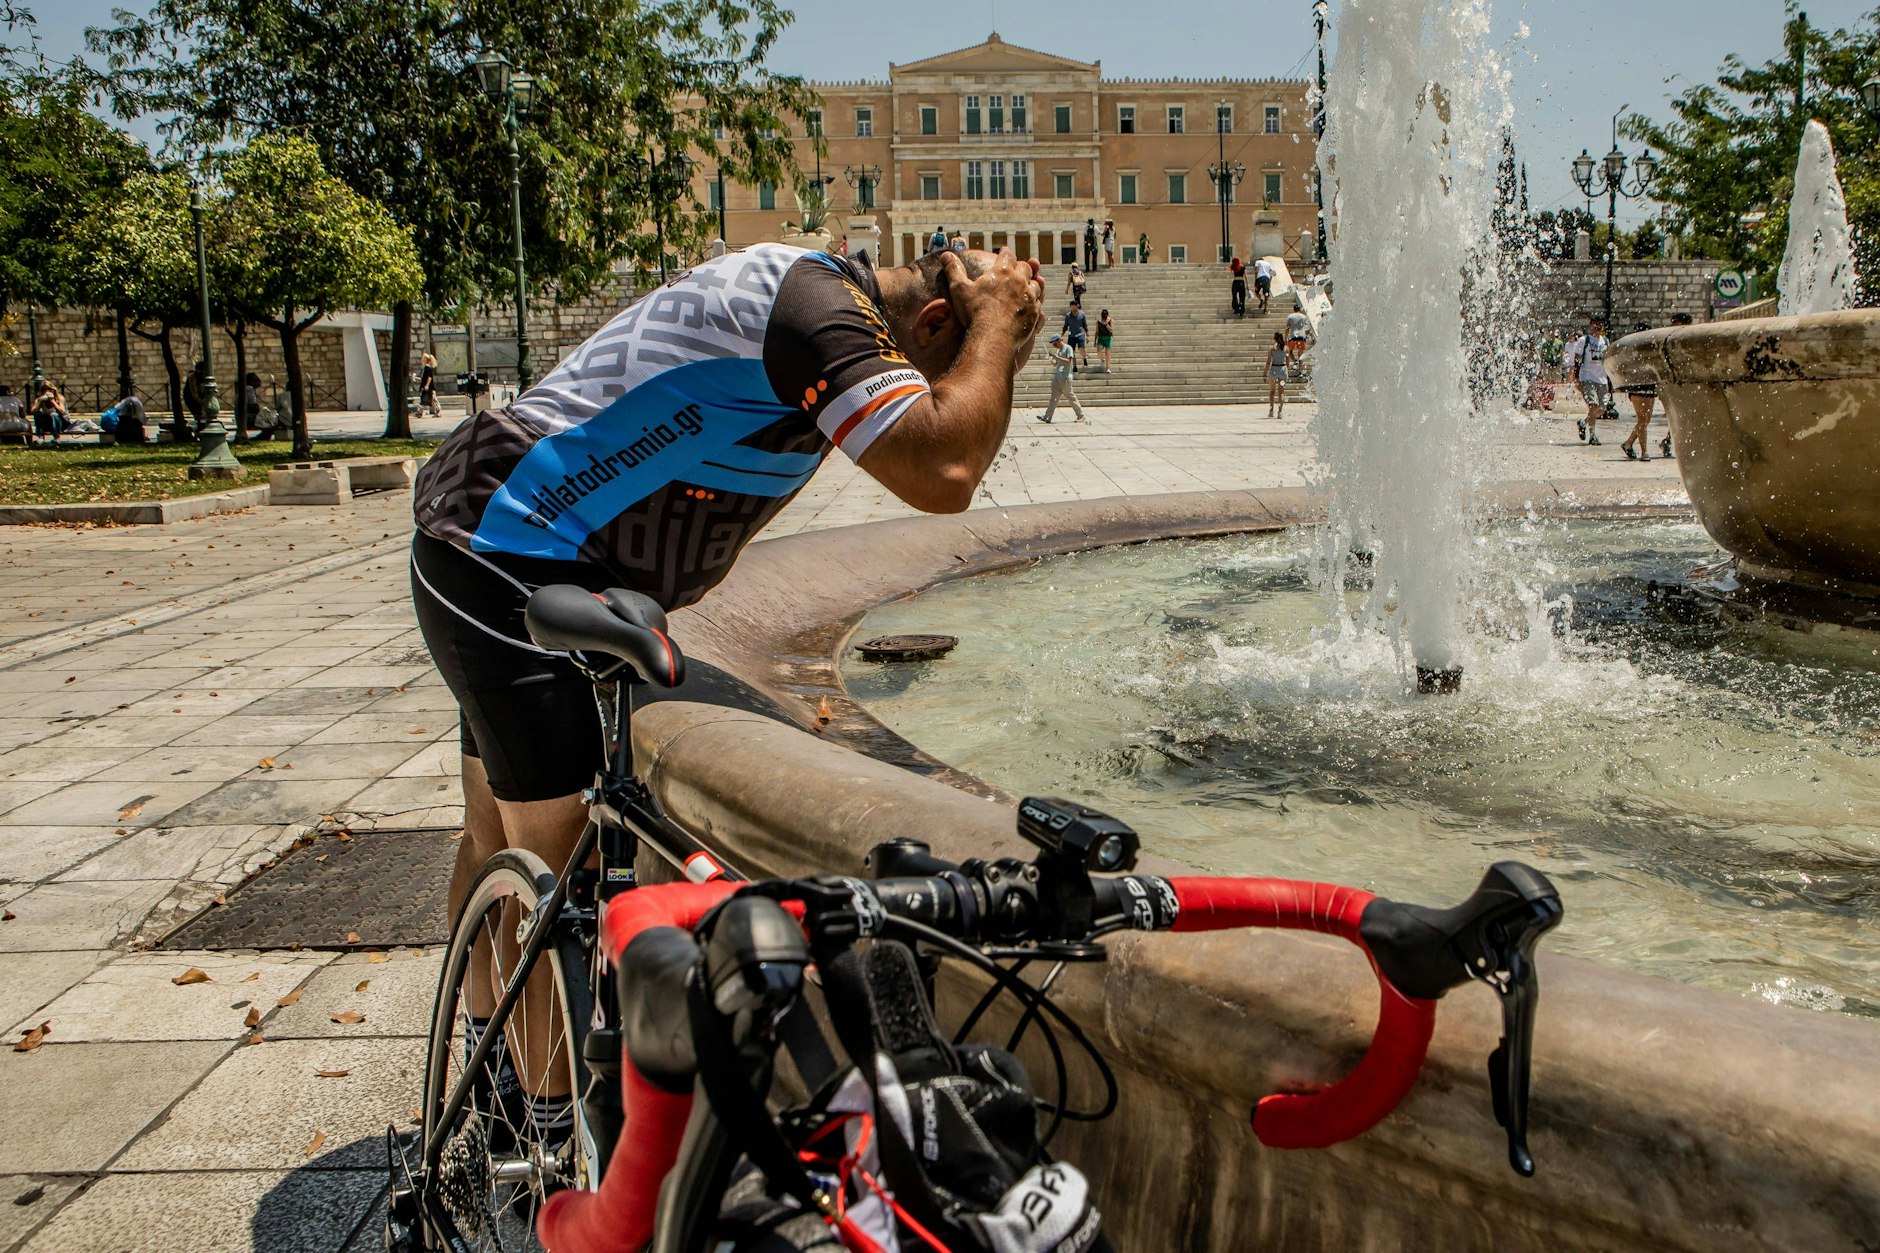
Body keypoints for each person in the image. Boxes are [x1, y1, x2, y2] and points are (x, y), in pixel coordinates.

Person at [410, 243, 1044, 1132]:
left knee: (493, 839)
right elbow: (944, 471)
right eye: (956, 375)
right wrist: (999, 326)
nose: (952, 398)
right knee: (561, 877)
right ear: (934, 325)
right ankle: (542, 1143)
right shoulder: (819, 316)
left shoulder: (823, 300)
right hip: (511, 555)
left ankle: (489, 1083)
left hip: (487, 526)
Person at [1565, 314, 1612, 446]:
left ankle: (1583, 422)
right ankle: (1593, 435)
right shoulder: (1584, 341)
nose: (1597, 327)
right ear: (1591, 326)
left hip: (1602, 379)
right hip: (1588, 377)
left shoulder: (1606, 342)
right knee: (1593, 405)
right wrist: (1576, 379)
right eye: (1595, 324)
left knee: (1602, 409)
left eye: (1600, 324)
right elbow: (1577, 360)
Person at [1617, 323, 1657, 462]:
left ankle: (1628, 443)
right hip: (1637, 385)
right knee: (1642, 419)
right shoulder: (1631, 348)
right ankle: (1644, 452)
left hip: (1649, 385)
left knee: (1646, 419)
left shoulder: (1650, 347)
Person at [1034, 333, 1085, 424]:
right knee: (1053, 398)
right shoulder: (1058, 350)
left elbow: (1069, 361)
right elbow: (1057, 364)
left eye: (1054, 343)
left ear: (1059, 340)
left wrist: (1057, 357)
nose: (1054, 345)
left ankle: (1081, 415)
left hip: (1065, 378)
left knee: (1071, 397)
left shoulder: (1068, 348)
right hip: (1057, 378)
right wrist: (1053, 361)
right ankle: (1047, 417)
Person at [1266, 332, 1289, 419]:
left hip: (1274, 370)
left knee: (1272, 391)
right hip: (1283, 370)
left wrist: (1265, 372)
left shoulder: (1272, 348)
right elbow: (1287, 362)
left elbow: (1269, 361)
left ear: (1274, 339)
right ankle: (1280, 412)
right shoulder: (1286, 348)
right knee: (1281, 392)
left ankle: (1271, 410)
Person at [1061, 300, 1090, 369]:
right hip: (1072, 335)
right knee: (1072, 351)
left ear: (1077, 306)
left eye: (1074, 307)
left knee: (1081, 349)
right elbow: (1065, 326)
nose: (1073, 308)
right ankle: (1074, 366)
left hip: (1080, 334)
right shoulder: (1068, 316)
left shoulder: (1082, 314)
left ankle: (1084, 358)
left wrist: (1088, 335)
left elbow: (1085, 325)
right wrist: (1062, 335)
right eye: (1072, 307)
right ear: (1070, 307)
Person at [419, 352, 440, 417]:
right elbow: (425, 378)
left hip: (429, 387)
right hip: (427, 386)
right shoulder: (425, 368)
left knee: (433, 400)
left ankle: (438, 412)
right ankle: (420, 412)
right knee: (425, 400)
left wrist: (427, 385)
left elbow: (429, 377)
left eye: (423, 358)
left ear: (425, 359)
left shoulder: (427, 368)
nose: (421, 359)